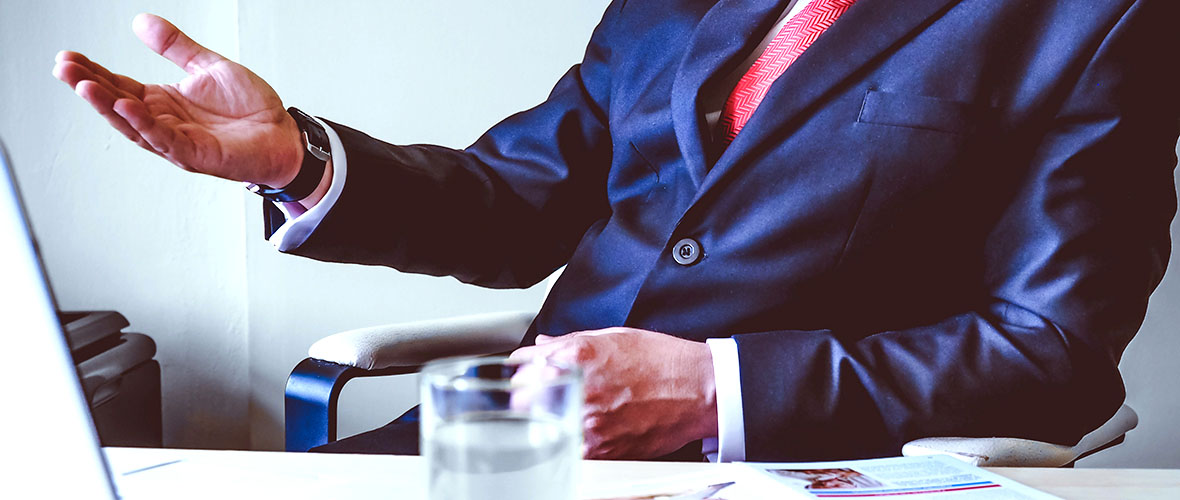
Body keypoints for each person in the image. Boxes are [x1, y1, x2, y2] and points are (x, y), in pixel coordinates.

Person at [53, 0, 1180, 462]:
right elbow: (514, 201)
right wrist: (298, 157)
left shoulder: (1097, 19)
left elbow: (1051, 349)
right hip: (516, 446)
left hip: (782, 465)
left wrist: (712, 389)